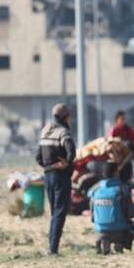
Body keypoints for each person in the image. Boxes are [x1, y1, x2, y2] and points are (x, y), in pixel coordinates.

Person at [35, 103, 76, 256]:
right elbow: (72, 152)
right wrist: (66, 163)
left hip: (48, 176)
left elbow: (38, 157)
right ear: (66, 117)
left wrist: (48, 167)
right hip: (61, 177)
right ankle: (53, 248)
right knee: (59, 212)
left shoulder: (45, 130)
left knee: (54, 212)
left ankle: (51, 246)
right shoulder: (63, 132)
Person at [89, 162, 134, 254]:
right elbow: (131, 213)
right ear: (116, 173)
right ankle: (121, 244)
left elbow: (92, 214)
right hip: (119, 230)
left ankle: (103, 242)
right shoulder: (122, 189)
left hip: (99, 229)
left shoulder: (95, 190)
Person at [107, 111, 134, 183]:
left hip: (126, 156)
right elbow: (110, 141)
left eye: (124, 119)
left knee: (127, 172)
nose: (123, 120)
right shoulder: (114, 130)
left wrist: (130, 144)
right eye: (122, 118)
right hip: (116, 156)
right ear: (117, 120)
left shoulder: (127, 129)